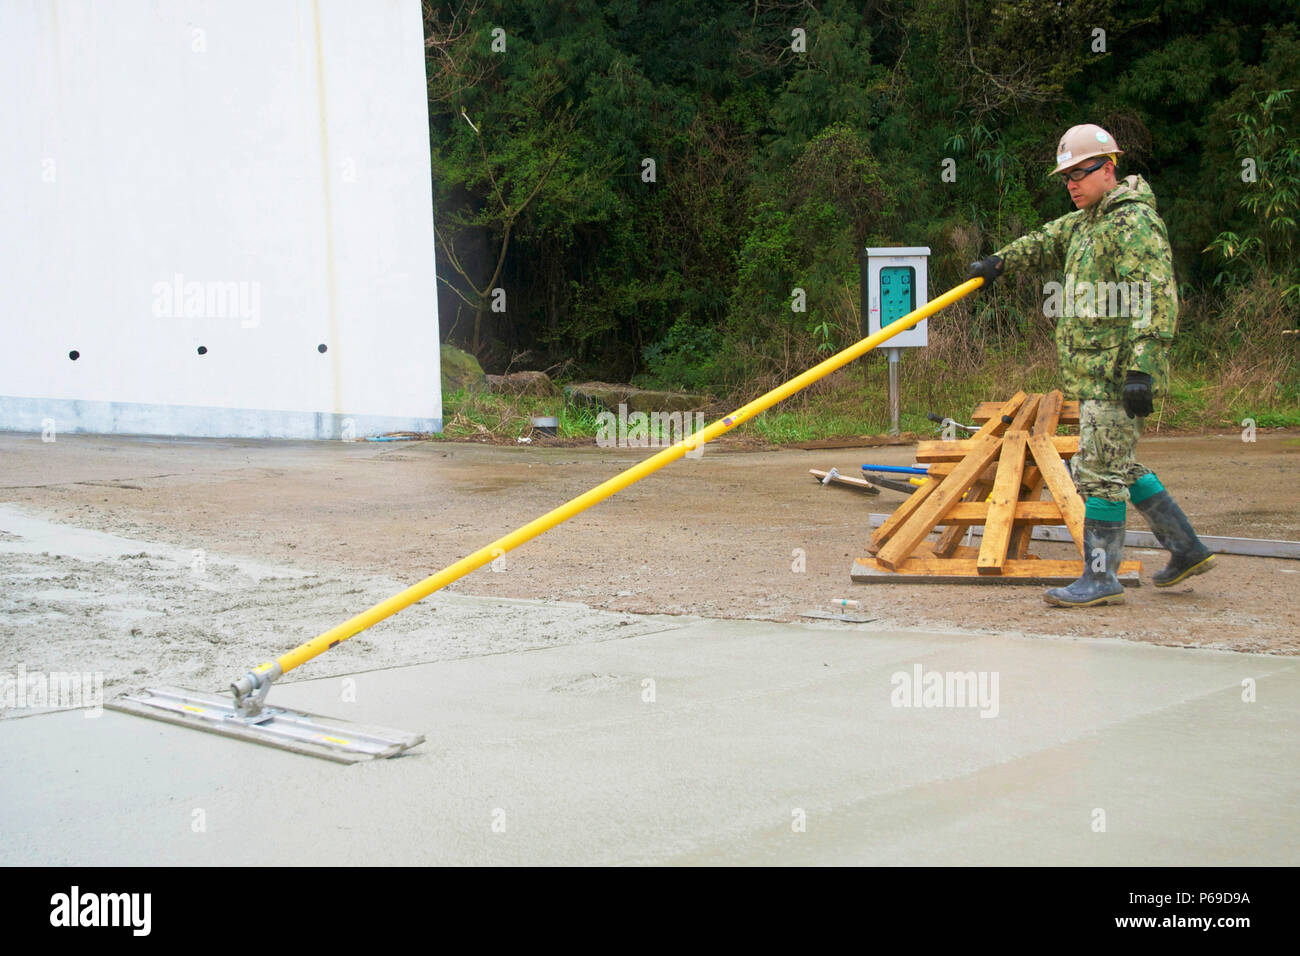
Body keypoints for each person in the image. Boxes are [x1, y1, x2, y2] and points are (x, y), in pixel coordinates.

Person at [967, 123, 1215, 607]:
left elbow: (1155, 297)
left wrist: (1142, 367)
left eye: (1079, 174)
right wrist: (999, 262)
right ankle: (1187, 549)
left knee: (1099, 473)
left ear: (1108, 168)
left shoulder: (1131, 223)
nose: (1071, 185)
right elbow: (1043, 239)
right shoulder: (1087, 220)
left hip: (1120, 374)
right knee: (1118, 463)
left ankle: (1101, 578)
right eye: (1065, 177)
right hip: (1096, 374)